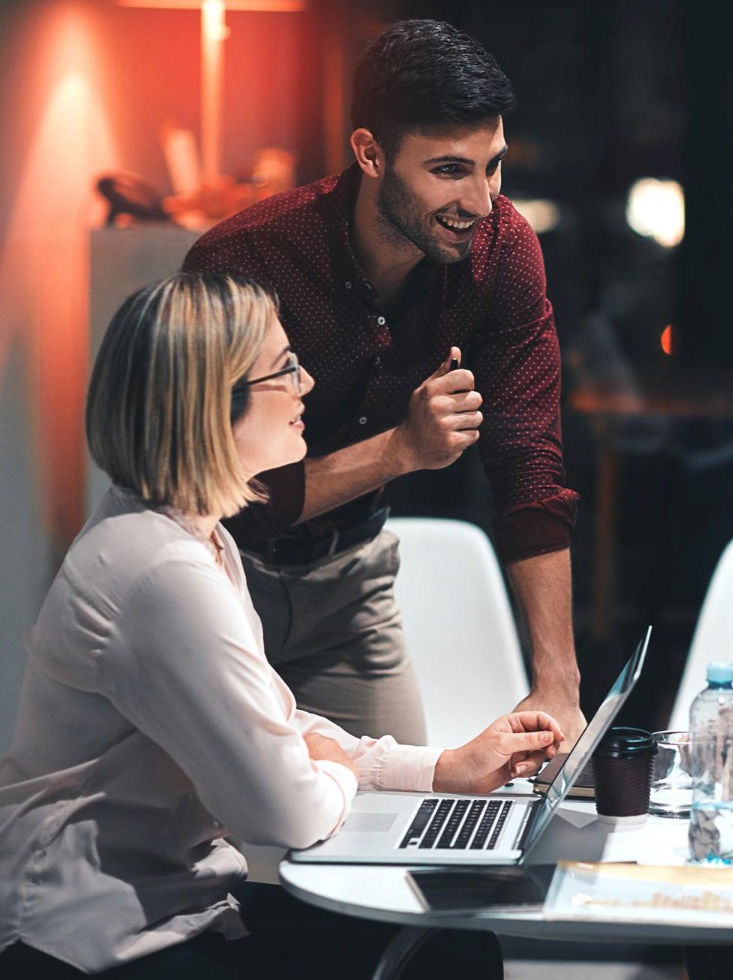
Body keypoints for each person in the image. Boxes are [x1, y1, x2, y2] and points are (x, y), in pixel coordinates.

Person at [0, 273, 561, 977]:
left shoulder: (195, 539)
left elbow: (280, 726)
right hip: (90, 937)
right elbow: (285, 812)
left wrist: (439, 769)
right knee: (446, 956)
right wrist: (331, 775)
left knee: (451, 946)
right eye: (285, 367)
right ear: (213, 402)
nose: (308, 384)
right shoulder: (160, 572)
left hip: (170, 907)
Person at [182, 19, 584, 746]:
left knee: (385, 824)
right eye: (450, 171)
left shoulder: (503, 251)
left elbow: (529, 460)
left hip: (350, 584)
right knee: (222, 839)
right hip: (215, 581)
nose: (483, 201)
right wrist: (402, 450)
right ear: (370, 153)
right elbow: (226, 498)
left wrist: (558, 684)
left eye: (493, 165)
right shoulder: (245, 262)